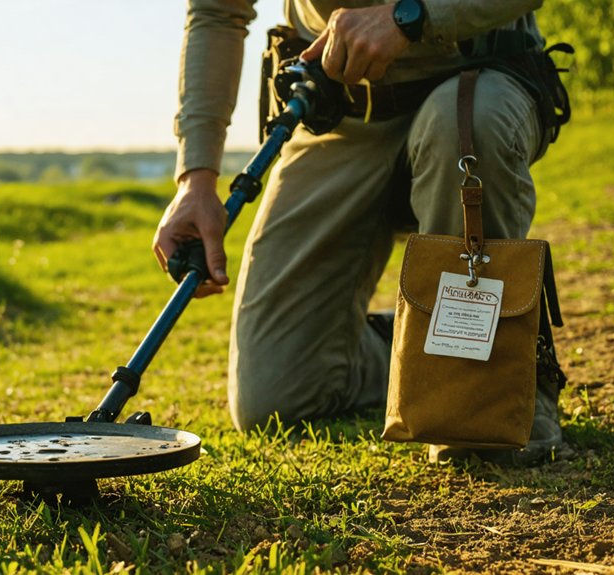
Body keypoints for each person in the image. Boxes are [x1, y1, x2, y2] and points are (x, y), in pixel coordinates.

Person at [152, 0, 565, 465]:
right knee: (276, 396)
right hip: (337, 112)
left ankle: (500, 368)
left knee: (467, 125)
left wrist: (412, 15)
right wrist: (196, 178)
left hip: (476, 80)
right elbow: (216, 12)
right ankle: (419, 341)